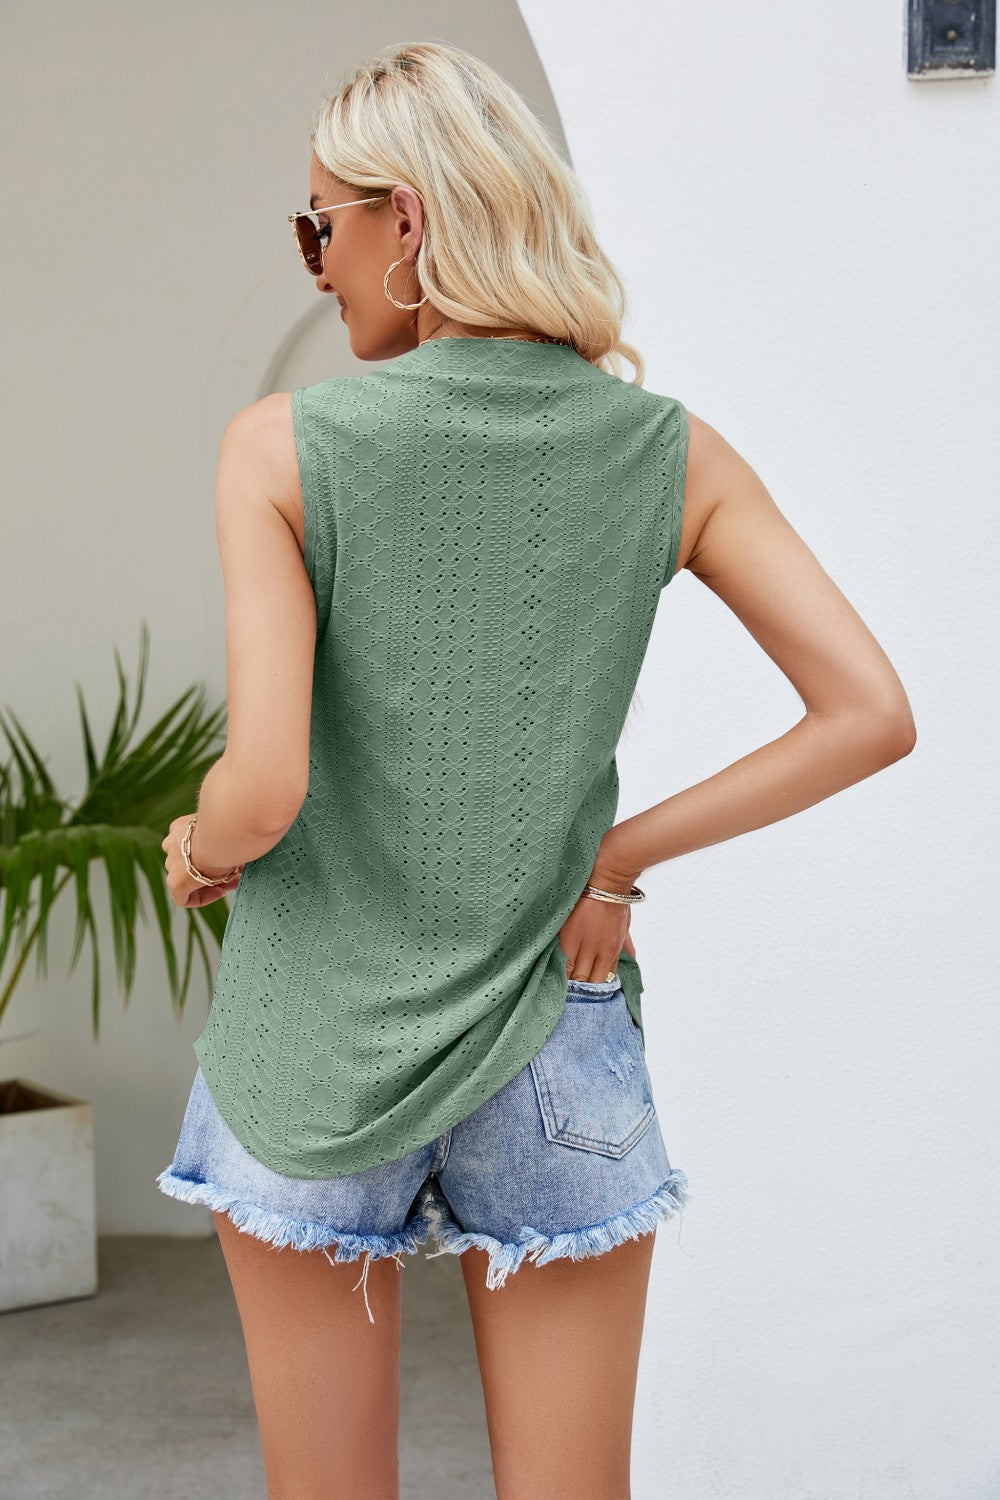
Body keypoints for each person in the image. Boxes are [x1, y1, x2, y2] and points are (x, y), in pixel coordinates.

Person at [155, 40, 916, 1500]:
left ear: (407, 221)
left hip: (315, 1036)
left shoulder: (280, 448)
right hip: (554, 1032)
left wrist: (197, 845)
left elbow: (266, 788)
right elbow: (869, 711)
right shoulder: (670, 452)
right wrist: (617, 860)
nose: (318, 264)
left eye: (322, 225)